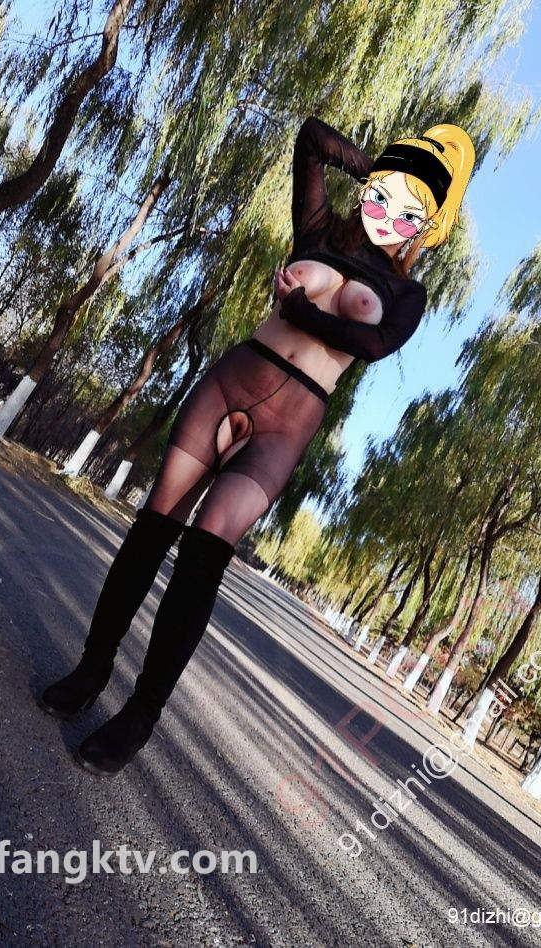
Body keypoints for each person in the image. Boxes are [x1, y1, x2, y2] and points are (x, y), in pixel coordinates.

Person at [38, 114, 475, 776]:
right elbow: (311, 138)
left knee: (204, 552)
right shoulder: (317, 231)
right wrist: (378, 167)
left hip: (284, 428)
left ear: (427, 230)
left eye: (410, 213)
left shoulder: (406, 293)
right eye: (385, 196)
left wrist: (301, 311)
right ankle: (90, 671)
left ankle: (140, 715)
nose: (390, 215)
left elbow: (372, 344)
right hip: (228, 385)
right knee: (153, 526)